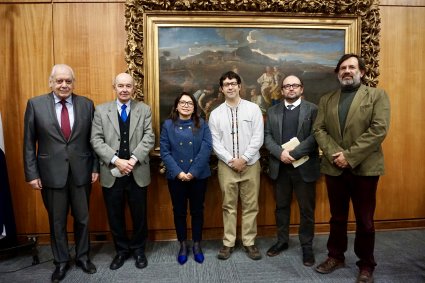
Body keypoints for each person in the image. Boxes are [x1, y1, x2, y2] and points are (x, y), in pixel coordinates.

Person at [313, 54, 390, 283]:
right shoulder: (327, 99)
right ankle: (335, 256)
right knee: (337, 217)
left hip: (364, 168)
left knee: (365, 220)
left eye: (352, 67)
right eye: (343, 68)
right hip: (334, 167)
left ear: (362, 72)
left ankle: (366, 265)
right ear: (338, 73)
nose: (347, 71)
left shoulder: (377, 96)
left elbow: (378, 130)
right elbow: (319, 130)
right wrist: (337, 155)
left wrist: (349, 156)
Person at [23, 64, 98, 282]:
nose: (64, 85)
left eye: (68, 81)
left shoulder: (86, 105)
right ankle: (61, 261)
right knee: (57, 222)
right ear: (51, 82)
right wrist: (31, 173)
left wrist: (94, 168)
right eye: (59, 81)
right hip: (50, 174)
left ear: (73, 83)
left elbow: (93, 141)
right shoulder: (35, 105)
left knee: (83, 219)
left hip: (81, 172)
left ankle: (83, 257)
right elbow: (28, 143)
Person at [90, 73, 155, 271]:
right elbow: (96, 140)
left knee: (139, 215)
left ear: (133, 88)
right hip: (111, 172)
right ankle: (121, 251)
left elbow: (149, 137)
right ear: (114, 87)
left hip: (137, 172)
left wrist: (132, 160)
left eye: (128, 86)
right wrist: (117, 161)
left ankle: (138, 250)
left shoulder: (144, 109)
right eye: (120, 86)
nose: (124, 89)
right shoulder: (101, 111)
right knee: (115, 215)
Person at [264, 75, 320, 266]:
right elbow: (267, 136)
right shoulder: (272, 111)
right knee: (281, 208)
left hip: (304, 166)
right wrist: (280, 153)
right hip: (280, 167)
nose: (291, 89)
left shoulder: (313, 109)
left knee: (306, 210)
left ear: (301, 89)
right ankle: (282, 241)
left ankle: (307, 246)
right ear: (282, 90)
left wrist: (294, 153)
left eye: (294, 85)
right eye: (287, 86)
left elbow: (315, 136)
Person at [208, 71, 264, 261]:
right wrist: (231, 160)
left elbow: (258, 137)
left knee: (251, 205)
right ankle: (228, 242)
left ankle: (249, 242)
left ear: (240, 86)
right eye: (226, 84)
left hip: (251, 164)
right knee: (228, 206)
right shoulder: (215, 114)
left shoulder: (253, 109)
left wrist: (244, 158)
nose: (230, 87)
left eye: (233, 83)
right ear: (221, 89)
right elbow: (215, 142)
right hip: (226, 166)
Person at [159, 92, 212, 265]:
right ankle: (183, 244)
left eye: (190, 103)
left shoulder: (202, 124)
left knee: (197, 211)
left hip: (198, 176)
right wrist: (179, 172)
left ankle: (197, 244)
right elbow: (165, 151)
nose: (186, 105)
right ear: (176, 106)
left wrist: (193, 171)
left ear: (194, 107)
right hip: (176, 177)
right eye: (182, 102)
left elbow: (206, 148)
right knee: (179, 211)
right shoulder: (167, 125)